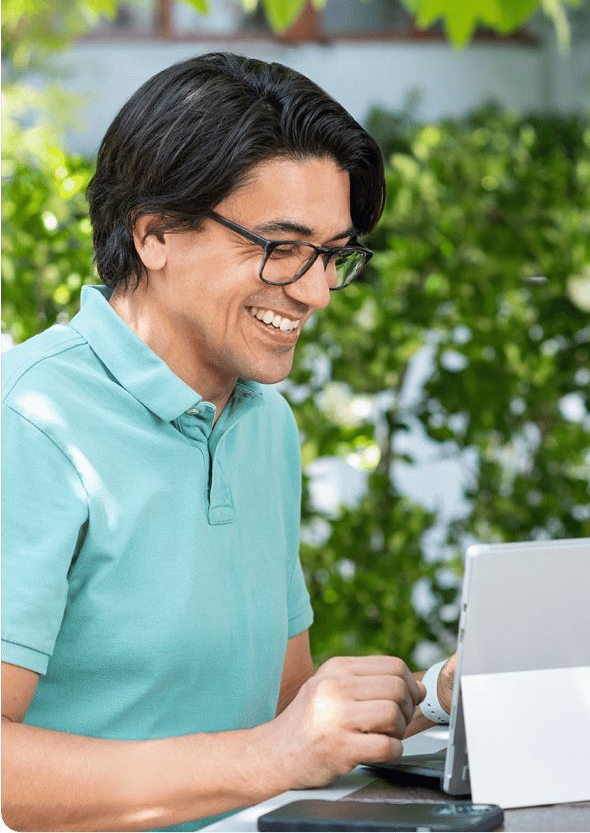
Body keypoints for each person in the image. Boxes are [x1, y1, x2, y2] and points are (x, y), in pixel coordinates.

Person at [1, 53, 445, 833]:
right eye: (281, 246)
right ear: (155, 234)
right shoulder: (30, 423)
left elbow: (283, 716)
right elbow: (269, 750)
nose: (312, 291)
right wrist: (270, 757)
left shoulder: (262, 423)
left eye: (333, 255)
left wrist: (442, 695)